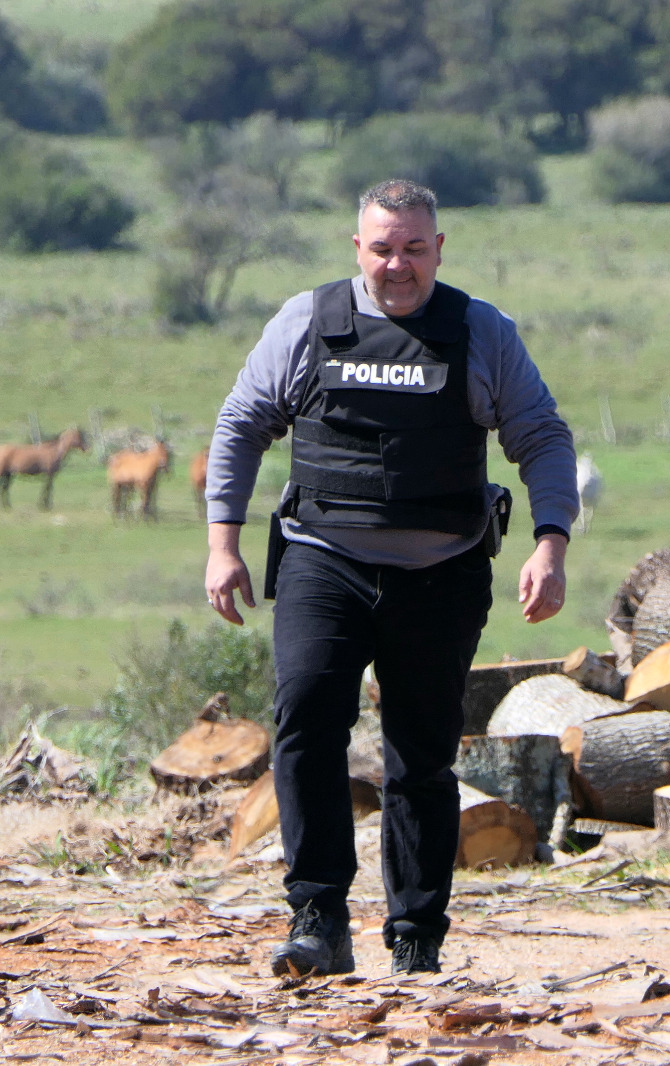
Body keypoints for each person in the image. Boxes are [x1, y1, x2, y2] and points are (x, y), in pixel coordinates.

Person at [203, 179, 578, 977]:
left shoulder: (479, 331)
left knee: (421, 754)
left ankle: (415, 935)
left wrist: (551, 543)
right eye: (382, 248)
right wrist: (222, 542)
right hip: (322, 559)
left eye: (414, 248)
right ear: (357, 249)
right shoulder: (307, 322)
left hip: (440, 572)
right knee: (306, 717)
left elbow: (541, 435)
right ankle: (317, 918)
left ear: (439, 249)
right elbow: (241, 423)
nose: (398, 265)